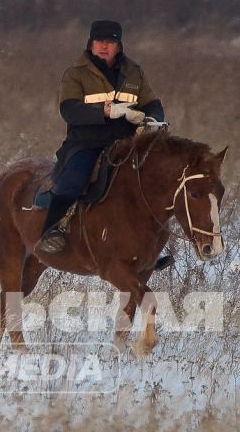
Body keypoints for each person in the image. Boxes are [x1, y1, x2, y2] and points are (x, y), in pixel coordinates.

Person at [35, 19, 166, 255]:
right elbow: (69, 110)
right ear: (91, 43)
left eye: (110, 41)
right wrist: (104, 111)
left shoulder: (134, 72)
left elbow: (152, 103)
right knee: (74, 178)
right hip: (87, 143)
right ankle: (51, 230)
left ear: (119, 45)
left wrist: (153, 119)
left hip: (127, 144)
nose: (103, 46)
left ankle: (148, 246)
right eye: (99, 41)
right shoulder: (76, 74)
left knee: (153, 181)